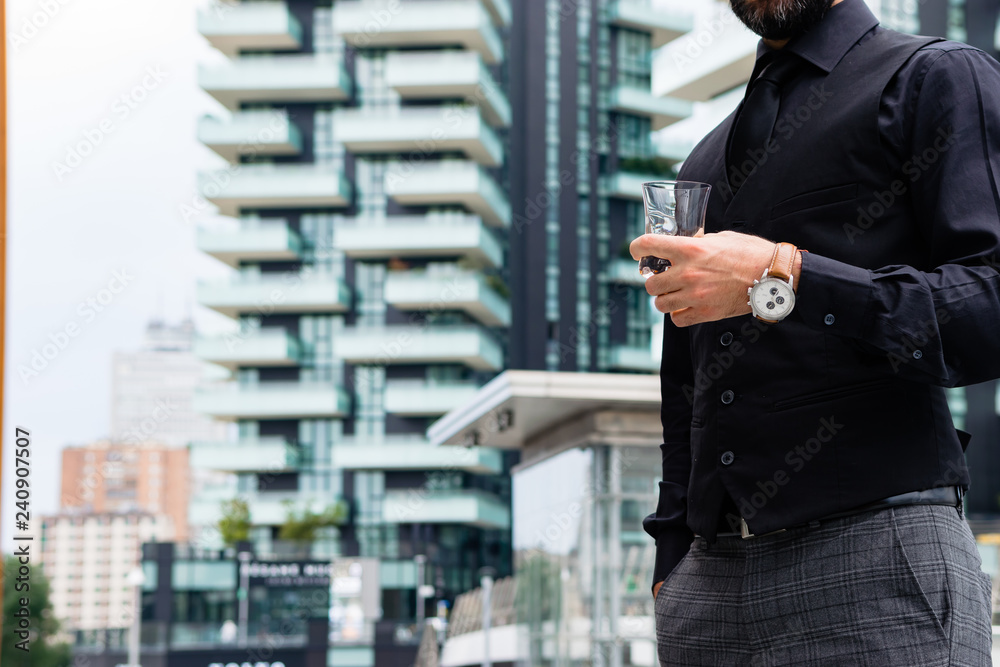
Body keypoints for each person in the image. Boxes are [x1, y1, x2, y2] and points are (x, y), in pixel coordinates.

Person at [632, 0, 1000, 662]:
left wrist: (784, 277)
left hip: (877, 565)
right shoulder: (702, 164)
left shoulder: (933, 78)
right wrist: (673, 560)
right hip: (708, 598)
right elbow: (686, 385)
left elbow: (992, 306)